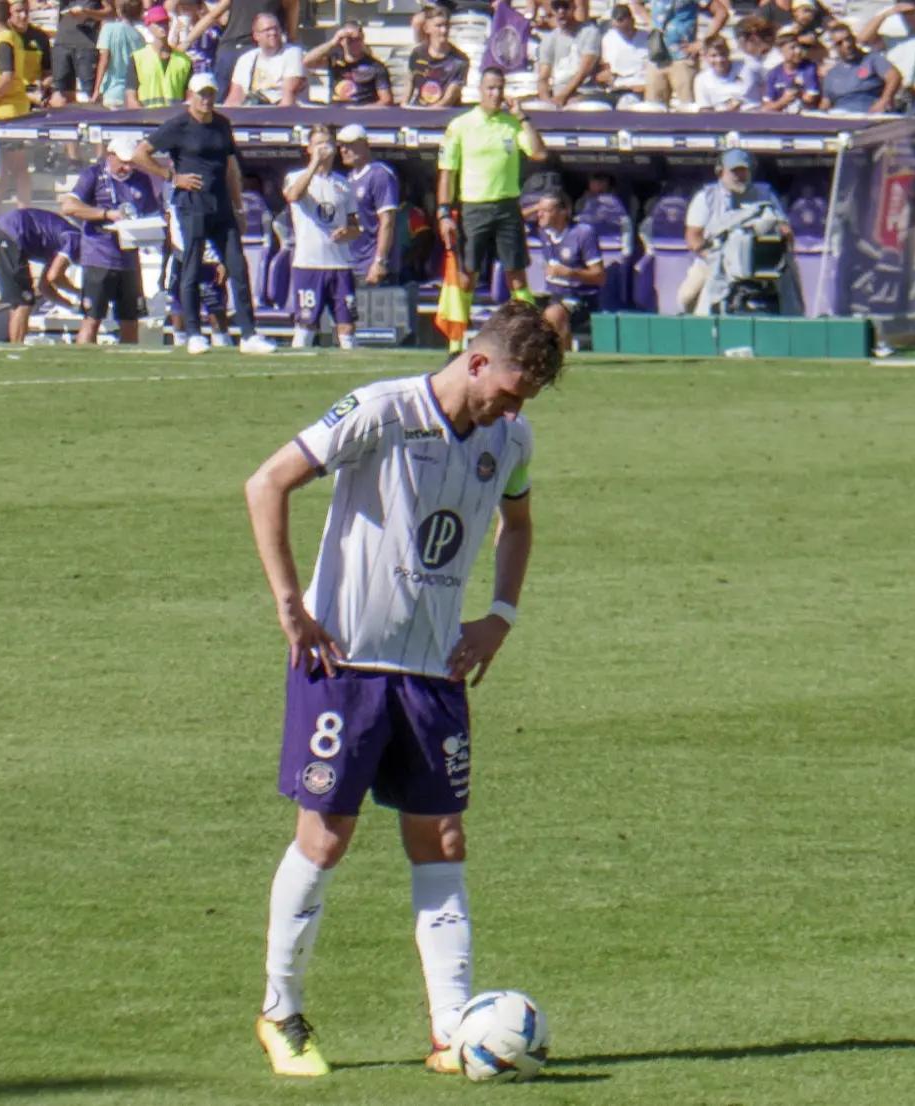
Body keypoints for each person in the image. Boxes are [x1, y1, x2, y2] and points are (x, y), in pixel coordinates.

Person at [241, 299, 565, 1081]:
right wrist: (291, 605)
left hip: (433, 673)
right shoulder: (383, 410)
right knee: (325, 839)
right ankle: (281, 1014)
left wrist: (501, 616)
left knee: (442, 840)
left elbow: (516, 525)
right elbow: (268, 482)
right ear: (478, 361)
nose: (513, 409)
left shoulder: (510, 438)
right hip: (343, 666)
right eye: (511, 390)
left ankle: (453, 1028)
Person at [131, 72, 278, 354]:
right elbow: (141, 153)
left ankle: (249, 334)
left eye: (211, 93)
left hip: (221, 205)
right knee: (192, 267)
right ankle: (194, 333)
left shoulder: (222, 124)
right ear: (190, 95)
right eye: (202, 94)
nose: (207, 99)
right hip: (192, 205)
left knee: (237, 267)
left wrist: (238, 206)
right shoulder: (178, 125)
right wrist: (171, 177)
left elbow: (231, 168)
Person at [439, 68, 548, 305]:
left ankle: (529, 331)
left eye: (500, 88)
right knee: (467, 275)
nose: (495, 93)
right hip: (473, 208)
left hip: (507, 206)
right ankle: (456, 340)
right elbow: (447, 172)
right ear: (480, 90)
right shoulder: (461, 125)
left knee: (517, 276)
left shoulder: (512, 124)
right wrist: (444, 212)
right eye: (490, 88)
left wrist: (522, 117)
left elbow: (539, 153)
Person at [59, 136, 162, 345]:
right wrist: (106, 214)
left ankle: (128, 367)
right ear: (110, 155)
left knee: (130, 320)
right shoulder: (94, 175)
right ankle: (82, 364)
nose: (127, 167)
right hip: (99, 258)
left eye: (131, 162)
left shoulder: (141, 179)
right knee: (92, 319)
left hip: (129, 260)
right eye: (123, 162)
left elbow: (153, 215)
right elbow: (69, 206)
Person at [282, 125, 363, 349]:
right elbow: (293, 196)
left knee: (346, 324)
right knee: (306, 322)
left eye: (327, 144)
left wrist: (348, 232)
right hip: (309, 263)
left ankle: (351, 365)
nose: (323, 149)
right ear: (308, 148)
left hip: (340, 263)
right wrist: (314, 164)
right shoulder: (295, 177)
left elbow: (356, 225)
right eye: (318, 144)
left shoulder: (343, 184)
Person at [683, 148, 790, 313]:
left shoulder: (765, 194)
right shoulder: (705, 197)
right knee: (686, 297)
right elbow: (693, 238)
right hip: (713, 261)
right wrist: (714, 257)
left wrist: (778, 236)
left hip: (763, 264)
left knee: (791, 297)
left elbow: (785, 229)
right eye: (734, 171)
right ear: (720, 172)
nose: (740, 176)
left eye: (744, 171)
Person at [0, 207, 81, 343]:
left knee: (18, 300)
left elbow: (44, 287)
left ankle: (15, 348)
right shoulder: (75, 239)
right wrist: (79, 293)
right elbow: (55, 277)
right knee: (24, 300)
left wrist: (71, 306)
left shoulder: (58, 247)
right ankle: (17, 350)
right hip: (9, 234)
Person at [0, 0, 43, 205]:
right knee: (0, 166)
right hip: (5, 109)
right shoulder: (9, 37)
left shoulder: (3, 41)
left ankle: (23, 210)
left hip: (8, 112)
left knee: (16, 166)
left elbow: (7, 76)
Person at [632, 0, 731, 108]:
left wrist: (703, 42)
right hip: (657, 55)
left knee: (688, 108)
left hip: (683, 57)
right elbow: (635, 3)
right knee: (654, 109)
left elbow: (721, 13)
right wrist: (650, 22)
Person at [536, 192, 604, 347]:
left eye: (545, 210)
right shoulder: (543, 232)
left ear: (563, 211)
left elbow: (599, 276)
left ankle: (563, 360)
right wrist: (538, 206)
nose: (539, 215)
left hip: (580, 297)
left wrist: (569, 273)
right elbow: (513, 220)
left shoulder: (583, 233)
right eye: (538, 210)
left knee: (555, 314)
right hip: (551, 295)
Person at [337, 124, 400, 287]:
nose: (344, 150)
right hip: (352, 263)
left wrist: (379, 261)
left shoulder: (379, 174)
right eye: (341, 145)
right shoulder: (349, 179)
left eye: (349, 144)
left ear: (365, 145)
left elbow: (387, 221)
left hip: (371, 266)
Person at [856, 0, 915, 112]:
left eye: (911, 12)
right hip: (893, 98)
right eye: (904, 14)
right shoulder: (893, 41)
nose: (908, 17)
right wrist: (885, 14)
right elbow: (862, 39)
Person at [534, 0, 607, 108]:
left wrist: (562, 97)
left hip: (585, 91)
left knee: (572, 104)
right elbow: (543, 77)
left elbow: (583, 72)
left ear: (573, 7)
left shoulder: (590, 32)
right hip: (557, 92)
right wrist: (546, 102)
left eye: (565, 6)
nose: (561, 11)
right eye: (556, 7)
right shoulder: (549, 38)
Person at [304, 19, 392, 106]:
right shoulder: (335, 60)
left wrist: (361, 111)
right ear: (342, 41)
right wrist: (333, 42)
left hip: (362, 112)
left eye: (357, 39)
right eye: (349, 40)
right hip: (336, 112)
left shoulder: (375, 66)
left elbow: (386, 100)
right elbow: (307, 62)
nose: (354, 43)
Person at [215, 0, 295, 92]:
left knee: (221, 99)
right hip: (255, 48)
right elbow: (293, 7)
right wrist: (292, 37)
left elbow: (214, 15)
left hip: (229, 48)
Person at [818, 21, 896, 114]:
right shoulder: (832, 74)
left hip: (868, 113)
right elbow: (826, 102)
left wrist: (884, 100)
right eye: (840, 43)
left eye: (848, 39)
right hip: (841, 115)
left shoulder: (872, 59)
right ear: (835, 47)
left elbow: (894, 77)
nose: (847, 45)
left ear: (854, 39)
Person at [225, 12, 303, 105]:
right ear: (256, 36)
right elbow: (235, 97)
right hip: (253, 113)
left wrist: (274, 119)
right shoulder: (246, 59)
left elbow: (289, 96)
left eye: (276, 28)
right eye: (267, 30)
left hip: (285, 113)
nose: (273, 33)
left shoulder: (292, 53)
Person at [125, 5, 192, 108]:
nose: (163, 27)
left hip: (175, 120)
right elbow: (131, 98)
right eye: (158, 23)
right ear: (149, 26)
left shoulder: (185, 61)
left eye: (165, 23)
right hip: (147, 119)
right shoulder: (137, 58)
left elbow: (190, 98)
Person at [404, 6, 469, 108]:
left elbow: (448, 100)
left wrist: (426, 116)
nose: (444, 30)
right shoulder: (417, 54)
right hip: (418, 110)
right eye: (438, 26)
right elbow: (410, 81)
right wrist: (404, 106)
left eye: (447, 25)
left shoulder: (460, 60)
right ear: (426, 29)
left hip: (444, 115)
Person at [51, 0, 103, 105]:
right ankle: (66, 121)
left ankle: (92, 121)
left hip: (86, 44)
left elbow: (110, 12)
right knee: (61, 94)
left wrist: (87, 12)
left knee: (90, 95)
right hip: (62, 41)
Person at [94, 0, 145, 107]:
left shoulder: (108, 29)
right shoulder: (139, 36)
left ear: (119, 10)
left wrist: (96, 90)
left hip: (111, 90)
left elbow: (104, 60)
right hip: (131, 93)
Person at [760, 25, 820, 112]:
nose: (798, 51)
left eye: (800, 47)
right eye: (793, 48)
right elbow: (766, 107)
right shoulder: (773, 74)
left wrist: (798, 93)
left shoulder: (809, 68)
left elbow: (811, 99)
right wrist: (783, 101)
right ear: (781, 50)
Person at [692, 37, 759, 109]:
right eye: (713, 56)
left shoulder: (745, 70)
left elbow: (754, 100)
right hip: (719, 117)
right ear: (705, 57)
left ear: (728, 53)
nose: (719, 60)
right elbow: (704, 109)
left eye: (723, 54)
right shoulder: (701, 79)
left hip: (750, 114)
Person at [600, 5, 651, 100]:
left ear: (632, 21)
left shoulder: (647, 38)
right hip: (619, 87)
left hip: (643, 85)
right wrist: (607, 76)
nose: (623, 29)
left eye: (626, 26)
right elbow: (606, 66)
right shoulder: (608, 38)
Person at [171, 0, 226, 78]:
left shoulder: (211, 29)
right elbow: (173, 52)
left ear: (198, 8)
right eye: (181, 6)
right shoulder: (177, 29)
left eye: (188, 6)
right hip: (185, 72)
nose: (184, 9)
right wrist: (175, 33)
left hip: (206, 73)